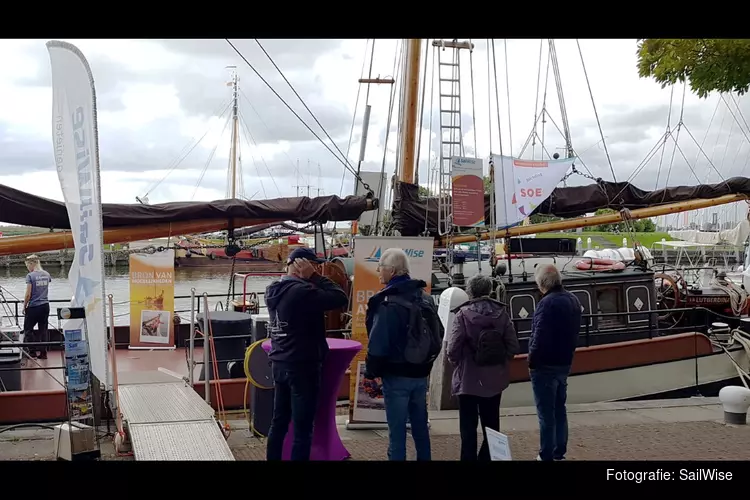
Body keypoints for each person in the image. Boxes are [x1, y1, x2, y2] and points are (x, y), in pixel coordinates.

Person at [264, 247, 349, 461]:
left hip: (280, 362)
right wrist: (314, 277)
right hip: (303, 365)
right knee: (303, 429)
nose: (318, 268)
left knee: (279, 422)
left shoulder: (273, 289)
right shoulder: (302, 291)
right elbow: (339, 297)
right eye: (315, 265)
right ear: (302, 265)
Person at [365, 248, 439, 461]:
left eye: (380, 267)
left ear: (392, 270)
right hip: (420, 373)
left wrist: (371, 373)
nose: (378, 271)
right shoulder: (425, 298)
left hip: (396, 375)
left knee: (396, 433)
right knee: (420, 429)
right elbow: (438, 334)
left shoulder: (388, 303)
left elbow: (378, 344)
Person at [447, 274, 519, 461]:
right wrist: (500, 363)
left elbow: (453, 348)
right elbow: (513, 346)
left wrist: (458, 363)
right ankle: (488, 458)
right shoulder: (501, 313)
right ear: (489, 290)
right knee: (492, 425)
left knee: (468, 427)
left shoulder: (462, 315)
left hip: (468, 378)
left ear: (470, 292)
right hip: (494, 378)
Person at [528, 264, 581, 461]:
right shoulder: (573, 300)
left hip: (545, 366)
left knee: (545, 414)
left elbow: (538, 335)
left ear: (542, 283)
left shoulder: (546, 303)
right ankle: (559, 452)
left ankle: (546, 454)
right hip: (564, 362)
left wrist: (531, 360)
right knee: (560, 409)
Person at [23, 255, 52, 359]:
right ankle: (43, 353)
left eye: (27, 266)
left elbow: (28, 294)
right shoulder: (47, 274)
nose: (28, 268)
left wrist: (24, 305)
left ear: (32, 264)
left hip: (34, 306)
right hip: (45, 305)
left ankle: (32, 352)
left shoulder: (30, 276)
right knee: (43, 329)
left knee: (28, 329)